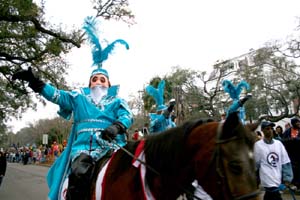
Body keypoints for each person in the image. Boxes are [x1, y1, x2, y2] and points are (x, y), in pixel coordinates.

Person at [12, 16, 133, 200]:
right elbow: (56, 95)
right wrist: (35, 82)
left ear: (108, 84)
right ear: (89, 84)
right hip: (84, 148)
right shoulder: (78, 98)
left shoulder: (117, 101)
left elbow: (127, 115)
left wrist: (116, 127)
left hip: (114, 146)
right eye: (94, 79)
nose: (98, 82)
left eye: (102, 79)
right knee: (79, 173)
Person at [254, 121, 293, 200]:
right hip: (267, 181)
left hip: (277, 180)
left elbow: (285, 162)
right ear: (263, 130)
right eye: (267, 129)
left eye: (271, 128)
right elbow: (255, 165)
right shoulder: (258, 145)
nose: (270, 130)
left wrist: (287, 180)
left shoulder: (278, 144)